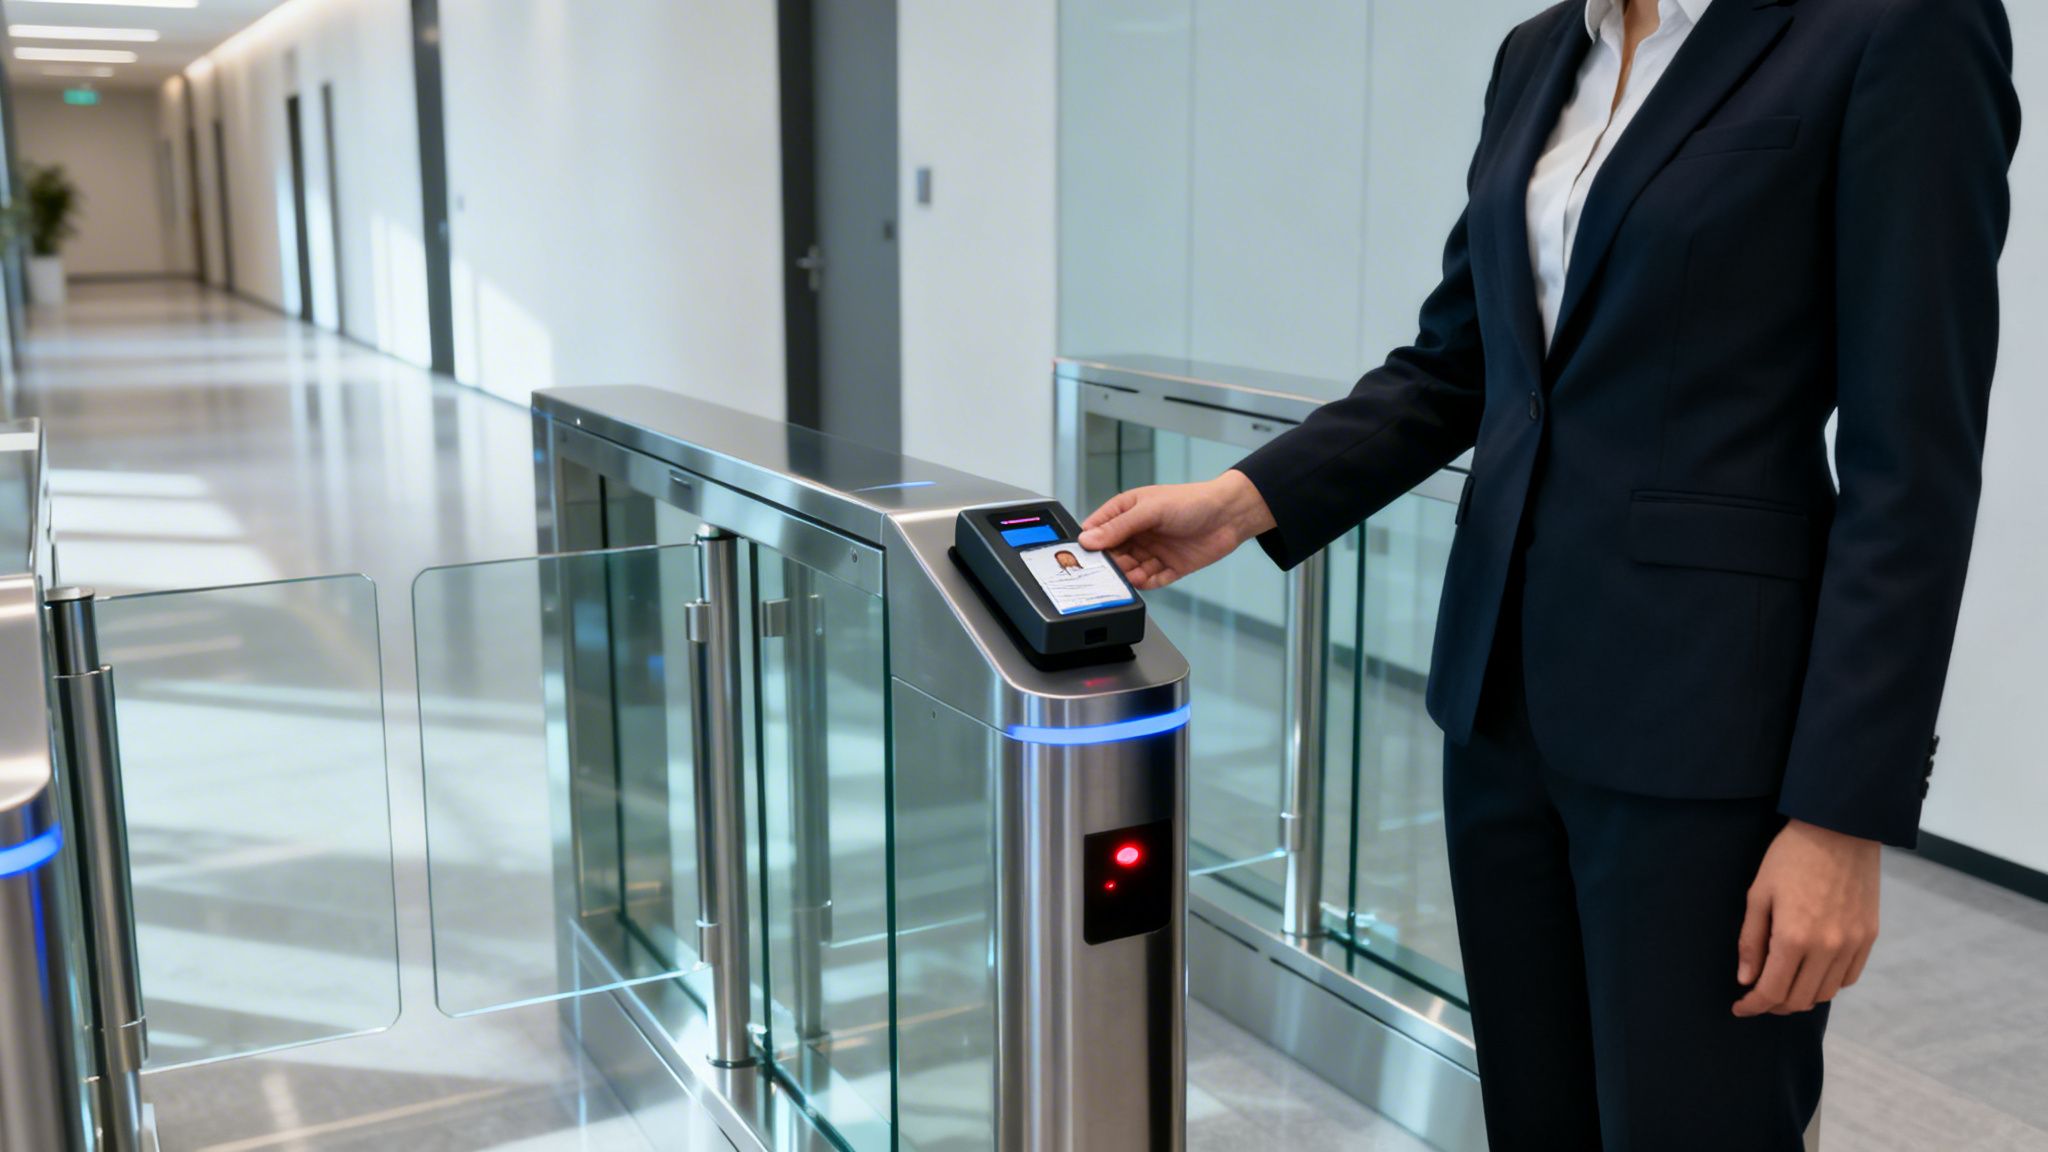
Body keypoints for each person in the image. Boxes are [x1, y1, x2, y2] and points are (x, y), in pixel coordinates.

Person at [1077, 0, 2021, 1147]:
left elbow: (1910, 469)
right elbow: (1454, 367)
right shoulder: (1537, 53)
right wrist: (1235, 503)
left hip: (1708, 735)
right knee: (1536, 1119)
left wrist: (1839, 817)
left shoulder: (1889, 30)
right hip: (1499, 714)